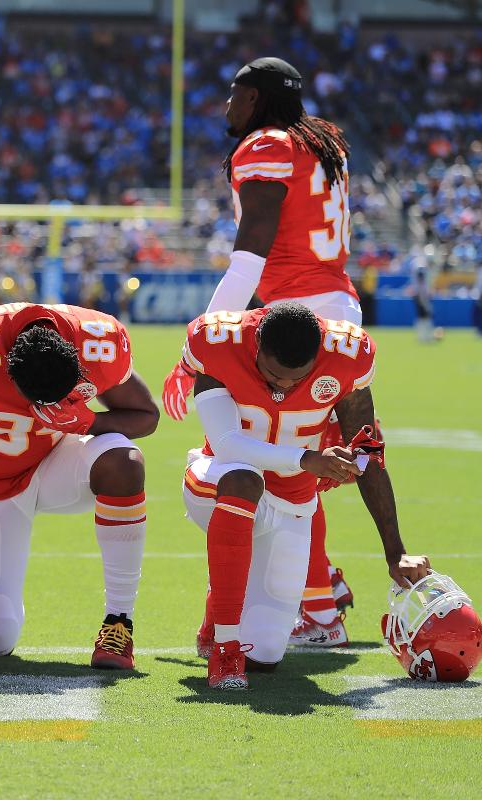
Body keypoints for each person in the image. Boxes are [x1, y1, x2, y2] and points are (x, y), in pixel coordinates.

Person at [159, 57, 361, 646]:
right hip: (334, 308)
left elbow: (251, 251)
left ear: (257, 99)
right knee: (300, 466)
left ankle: (318, 612)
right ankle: (320, 591)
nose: (227, 106)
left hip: (295, 318)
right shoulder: (319, 140)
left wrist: (206, 338)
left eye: (235, 94)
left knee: (273, 465)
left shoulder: (267, 143)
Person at [181, 303, 429, 689]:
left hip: (292, 502)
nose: (284, 388)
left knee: (264, 655)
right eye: (274, 375)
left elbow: (368, 454)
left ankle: (222, 604)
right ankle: (225, 648)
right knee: (244, 480)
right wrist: (305, 459)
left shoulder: (346, 357)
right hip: (219, 482)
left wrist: (395, 551)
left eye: (297, 379)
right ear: (257, 346)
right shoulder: (218, 341)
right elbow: (227, 444)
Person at [0, 303, 158, 668]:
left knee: (123, 463)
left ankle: (118, 622)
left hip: (54, 464)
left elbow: (146, 417)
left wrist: (88, 421)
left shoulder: (98, 341)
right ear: (8, 373)